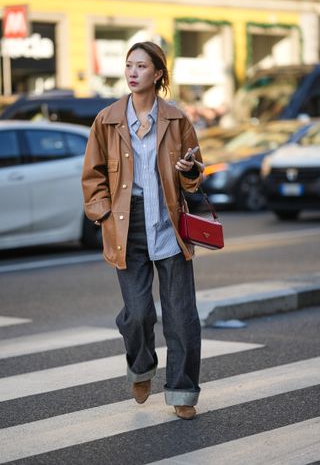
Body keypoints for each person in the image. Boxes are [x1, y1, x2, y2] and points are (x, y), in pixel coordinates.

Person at [82, 41, 203, 420]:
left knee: (181, 315)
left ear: (158, 74)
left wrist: (189, 171)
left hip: (168, 222)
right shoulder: (107, 119)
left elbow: (195, 177)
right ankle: (141, 366)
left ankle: (182, 391)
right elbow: (93, 175)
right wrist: (102, 213)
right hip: (126, 223)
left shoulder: (177, 120)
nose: (132, 73)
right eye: (128, 66)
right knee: (137, 314)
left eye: (141, 66)